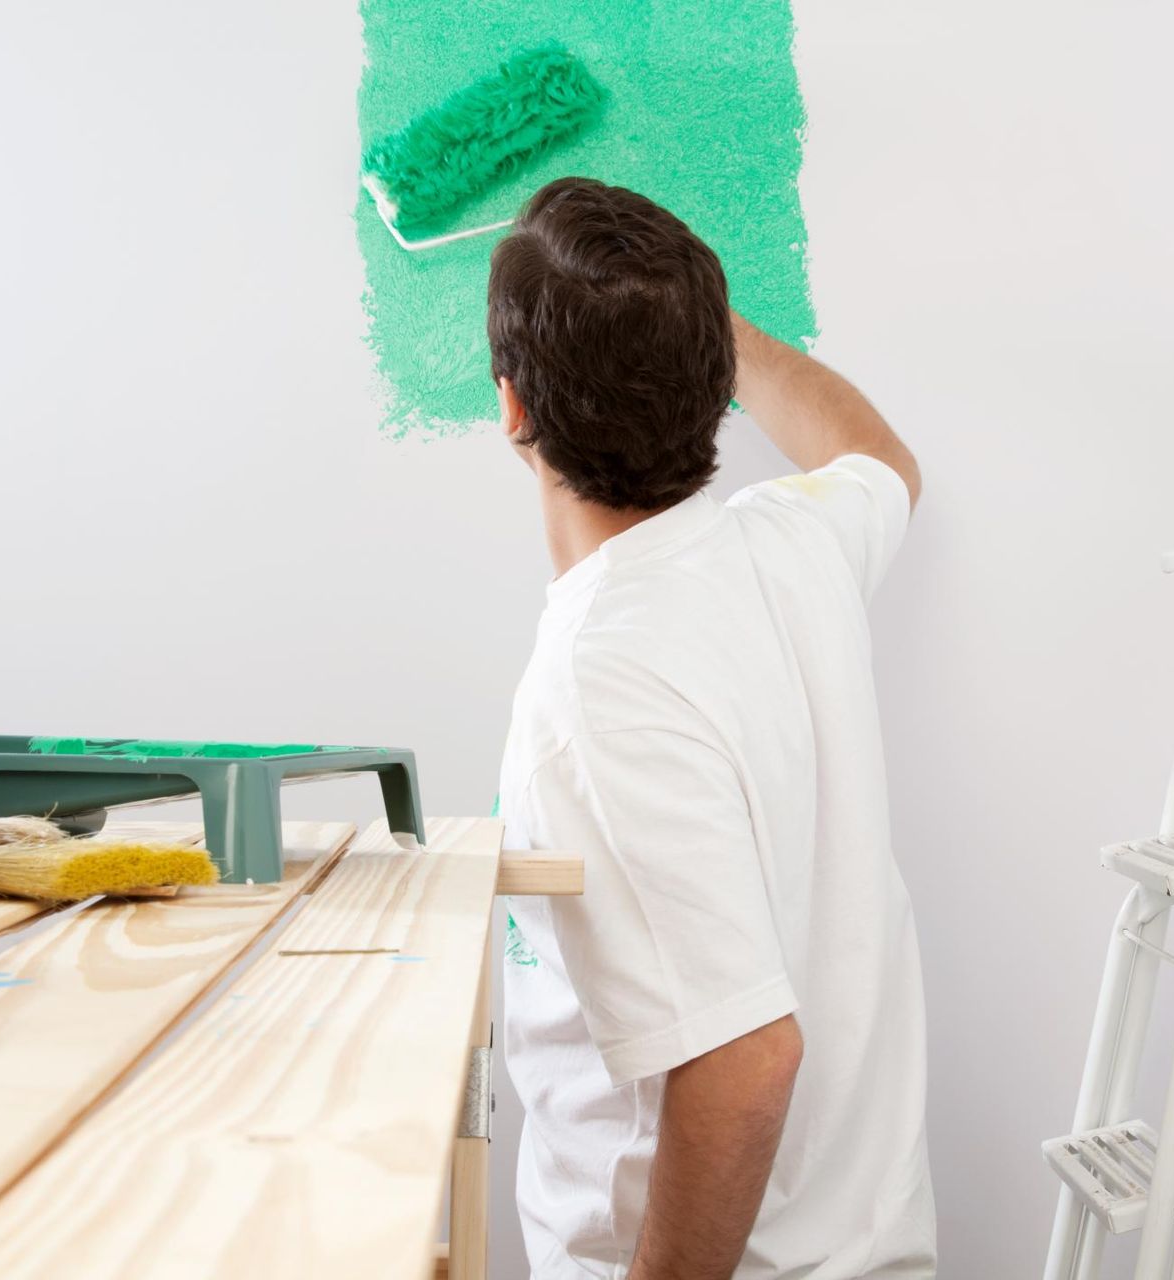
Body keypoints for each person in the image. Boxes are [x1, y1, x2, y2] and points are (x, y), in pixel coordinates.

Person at [493, 177, 934, 1279]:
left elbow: (745, 1062)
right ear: (709, 384)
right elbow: (880, 456)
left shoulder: (598, 682)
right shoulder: (793, 542)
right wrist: (693, 329)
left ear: (515, 407)